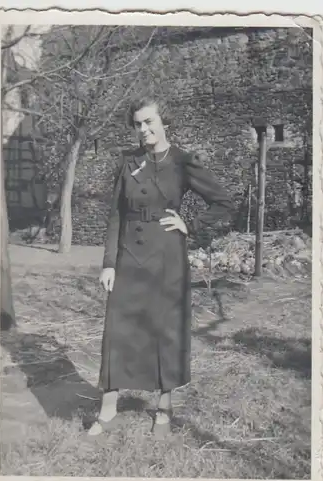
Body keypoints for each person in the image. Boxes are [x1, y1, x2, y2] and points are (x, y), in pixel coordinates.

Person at [88, 95, 233, 438]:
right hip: (129, 256)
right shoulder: (127, 162)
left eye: (149, 122)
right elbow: (115, 215)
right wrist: (109, 263)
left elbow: (223, 201)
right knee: (118, 328)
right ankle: (108, 408)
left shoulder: (183, 161)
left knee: (164, 330)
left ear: (164, 122)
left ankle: (163, 409)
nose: (144, 129)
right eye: (138, 124)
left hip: (167, 255)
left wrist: (191, 225)